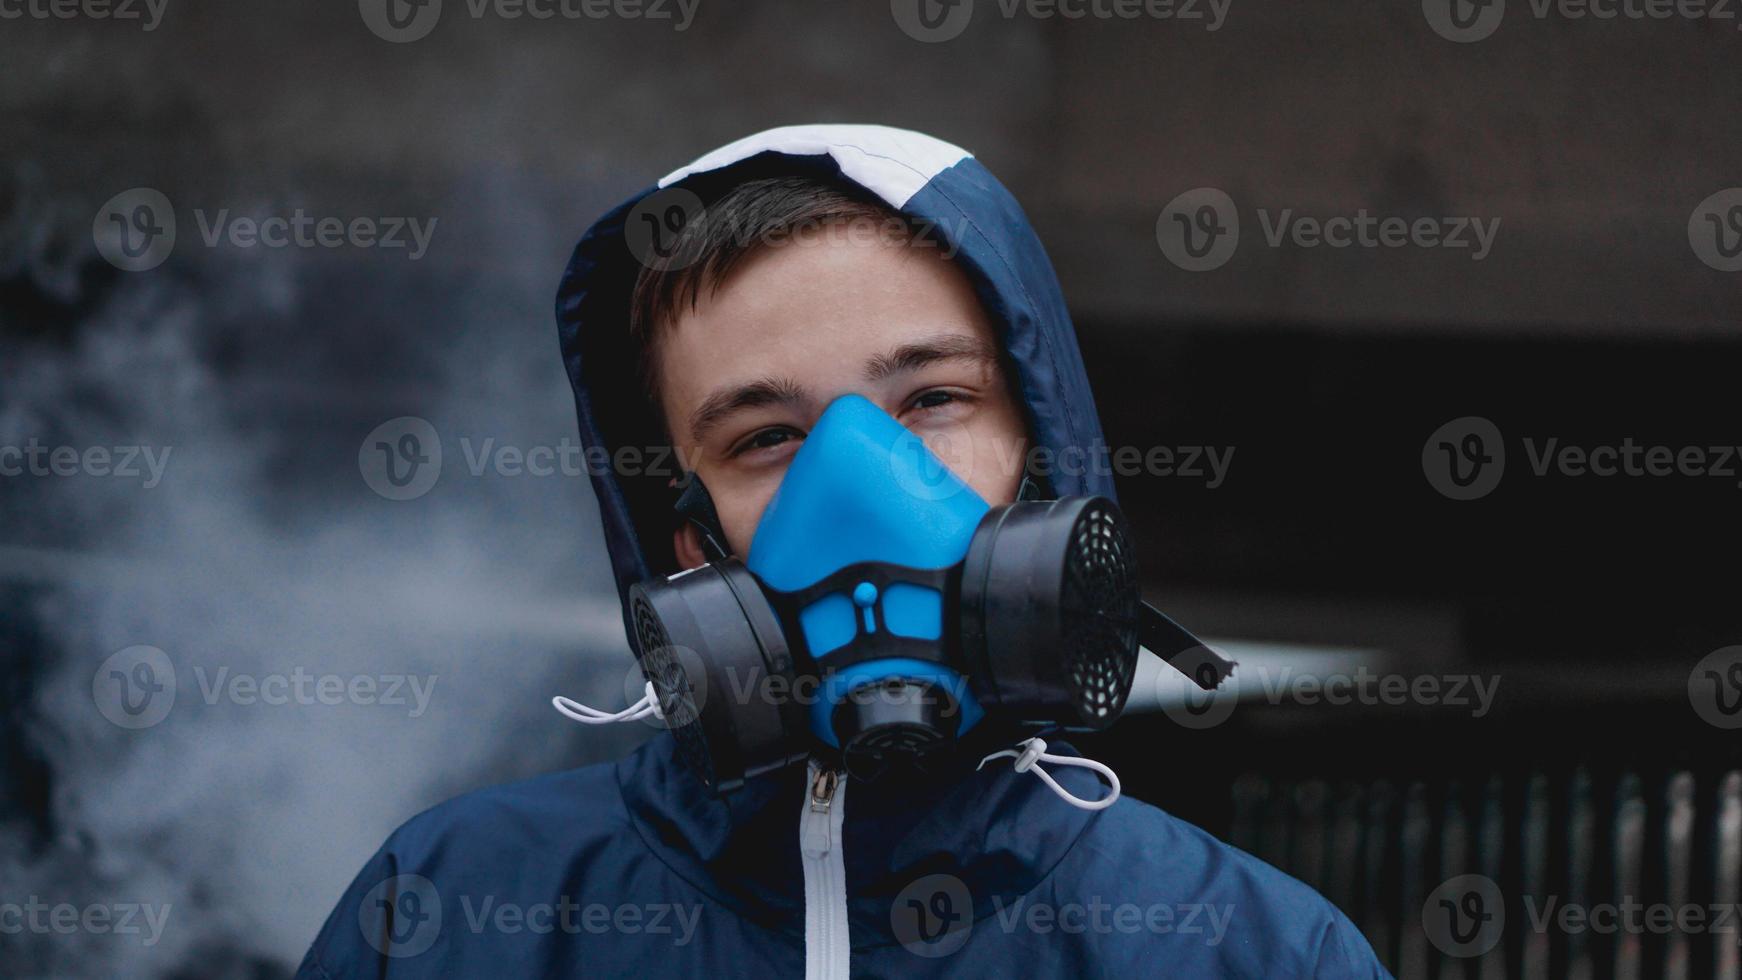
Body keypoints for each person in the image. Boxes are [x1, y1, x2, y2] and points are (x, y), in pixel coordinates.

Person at [296, 124, 1388, 978]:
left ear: (1045, 457)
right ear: (687, 540)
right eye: (766, 437)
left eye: (931, 399)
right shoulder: (446, 915)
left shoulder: (1246, 950)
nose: (859, 485)